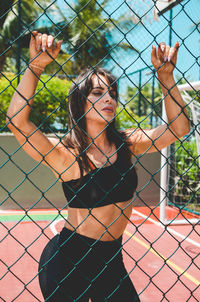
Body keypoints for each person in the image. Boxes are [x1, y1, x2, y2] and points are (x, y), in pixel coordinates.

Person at [6, 31, 190, 301]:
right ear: (80, 102)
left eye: (112, 93)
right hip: (68, 264)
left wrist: (166, 78)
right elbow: (17, 122)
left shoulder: (127, 143)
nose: (109, 99)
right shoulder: (68, 154)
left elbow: (179, 128)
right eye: (98, 92)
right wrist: (35, 66)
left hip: (111, 260)